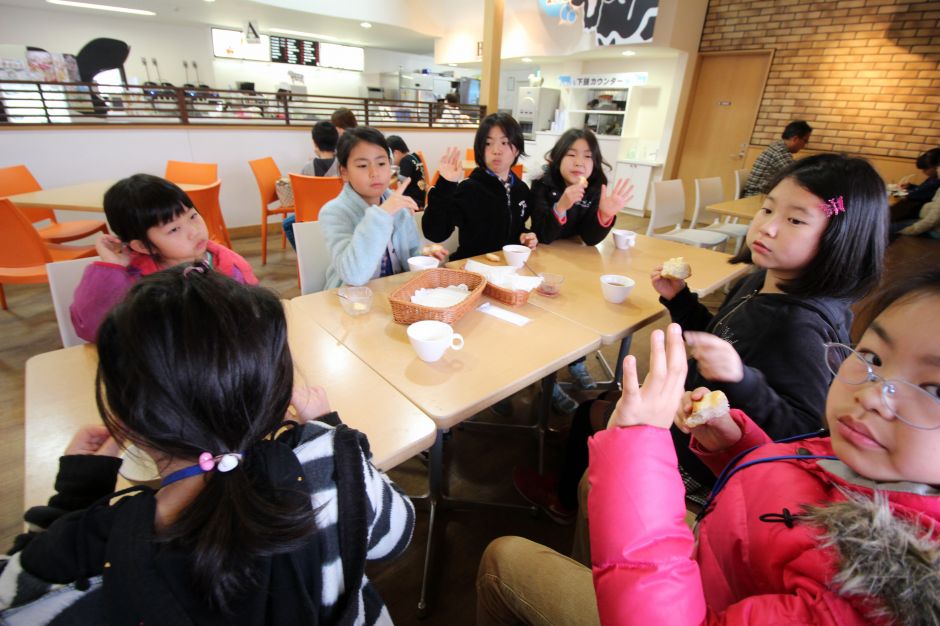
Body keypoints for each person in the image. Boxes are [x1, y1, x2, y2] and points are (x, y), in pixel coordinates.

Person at [479, 268, 940, 624]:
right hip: (723, 551)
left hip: (686, 603)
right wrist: (736, 445)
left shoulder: (882, 592)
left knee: (503, 558)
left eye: (934, 389)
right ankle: (604, 581)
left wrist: (639, 443)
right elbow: (797, 484)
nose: (874, 394)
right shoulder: (757, 289)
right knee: (588, 485)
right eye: (874, 357)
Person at [0, 267, 415, 624]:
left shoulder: (77, 559)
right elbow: (396, 535)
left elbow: (12, 595)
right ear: (275, 390)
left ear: (130, 421)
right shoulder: (329, 461)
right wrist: (329, 429)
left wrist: (75, 497)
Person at [539, 153, 888, 525]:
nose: (767, 227)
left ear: (840, 239)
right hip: (689, 410)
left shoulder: (801, 328)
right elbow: (721, 336)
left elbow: (799, 432)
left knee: (588, 413)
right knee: (611, 402)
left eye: (795, 220)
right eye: (768, 209)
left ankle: (564, 504)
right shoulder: (760, 280)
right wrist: (681, 300)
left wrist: (741, 378)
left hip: (701, 455)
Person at [70, 174, 257, 342]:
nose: (194, 231)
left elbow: (253, 320)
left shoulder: (228, 265)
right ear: (143, 246)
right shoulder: (134, 281)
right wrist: (114, 268)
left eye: (192, 216)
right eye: (174, 229)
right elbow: (93, 330)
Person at [528, 128, 634, 411]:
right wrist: (562, 205)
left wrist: (605, 214)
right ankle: (547, 380)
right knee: (547, 321)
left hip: (576, 263)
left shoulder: (596, 187)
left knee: (579, 312)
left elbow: (590, 237)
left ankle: (576, 362)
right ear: (557, 158)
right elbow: (544, 234)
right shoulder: (542, 185)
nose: (579, 162)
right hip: (542, 263)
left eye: (587, 156)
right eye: (571, 154)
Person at [320, 126, 446, 289]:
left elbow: (411, 252)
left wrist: (424, 256)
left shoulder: (398, 205)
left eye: (381, 163)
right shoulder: (334, 212)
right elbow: (354, 276)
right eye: (362, 165)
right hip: (352, 297)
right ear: (344, 172)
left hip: (396, 292)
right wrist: (382, 214)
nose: (375, 173)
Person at [422, 112, 538, 261]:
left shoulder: (521, 189)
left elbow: (513, 227)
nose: (496, 151)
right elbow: (435, 233)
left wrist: (526, 236)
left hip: (508, 266)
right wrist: (446, 184)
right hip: (473, 265)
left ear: (517, 149)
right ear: (480, 150)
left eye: (504, 143)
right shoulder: (469, 188)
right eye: (488, 143)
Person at [282, 120, 341, 249]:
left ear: (315, 143)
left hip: (311, 218)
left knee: (287, 224)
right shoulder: (343, 167)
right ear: (336, 141)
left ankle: (305, 255)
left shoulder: (307, 169)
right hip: (339, 215)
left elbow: (299, 200)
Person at [742, 120, 812, 197]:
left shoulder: (777, 145)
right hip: (757, 196)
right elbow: (795, 176)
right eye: (805, 141)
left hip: (756, 193)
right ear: (795, 139)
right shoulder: (781, 151)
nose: (804, 145)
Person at [889, 147, 940, 224]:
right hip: (918, 212)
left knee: (891, 224)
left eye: (925, 169)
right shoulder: (934, 177)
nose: (923, 172)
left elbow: (910, 195)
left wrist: (892, 191)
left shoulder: (936, 182)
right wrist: (910, 186)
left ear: (937, 166)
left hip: (923, 217)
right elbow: (923, 190)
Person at [387, 134, 427, 207]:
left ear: (396, 153)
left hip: (413, 201)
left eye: (390, 157)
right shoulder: (414, 157)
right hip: (421, 198)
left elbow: (401, 181)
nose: (390, 161)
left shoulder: (405, 161)